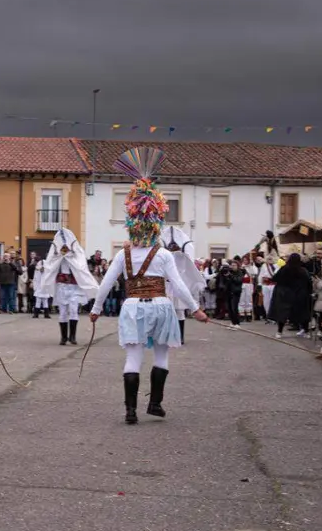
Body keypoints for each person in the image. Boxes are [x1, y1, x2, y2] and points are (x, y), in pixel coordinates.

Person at [91, 148, 208, 425]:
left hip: (133, 307)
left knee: (133, 358)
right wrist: (196, 310)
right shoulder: (164, 254)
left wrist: (96, 308)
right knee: (161, 355)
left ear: (132, 224)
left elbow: (107, 283)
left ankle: (130, 410)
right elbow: (178, 285)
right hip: (161, 306)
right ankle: (154, 404)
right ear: (156, 224)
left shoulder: (123, 255)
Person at [37, 228, 98, 346]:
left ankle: (73, 336)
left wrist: (69, 254)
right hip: (62, 286)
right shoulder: (56, 254)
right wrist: (59, 254)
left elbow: (80, 265)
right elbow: (51, 264)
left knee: (74, 310)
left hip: (74, 286)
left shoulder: (77, 253)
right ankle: (64, 337)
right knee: (63, 311)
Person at [162, 226, 206, 343]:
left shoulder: (181, 256)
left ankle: (180, 336)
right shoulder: (165, 255)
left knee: (180, 311)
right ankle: (169, 335)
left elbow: (187, 269)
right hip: (166, 285)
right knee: (166, 311)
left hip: (178, 285)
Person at [270, 254, 313, 339]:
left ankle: (279, 332)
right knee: (302, 313)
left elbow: (275, 278)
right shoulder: (303, 270)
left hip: (285, 295)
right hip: (299, 295)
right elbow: (309, 282)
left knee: (283, 314)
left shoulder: (284, 269)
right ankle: (306, 332)